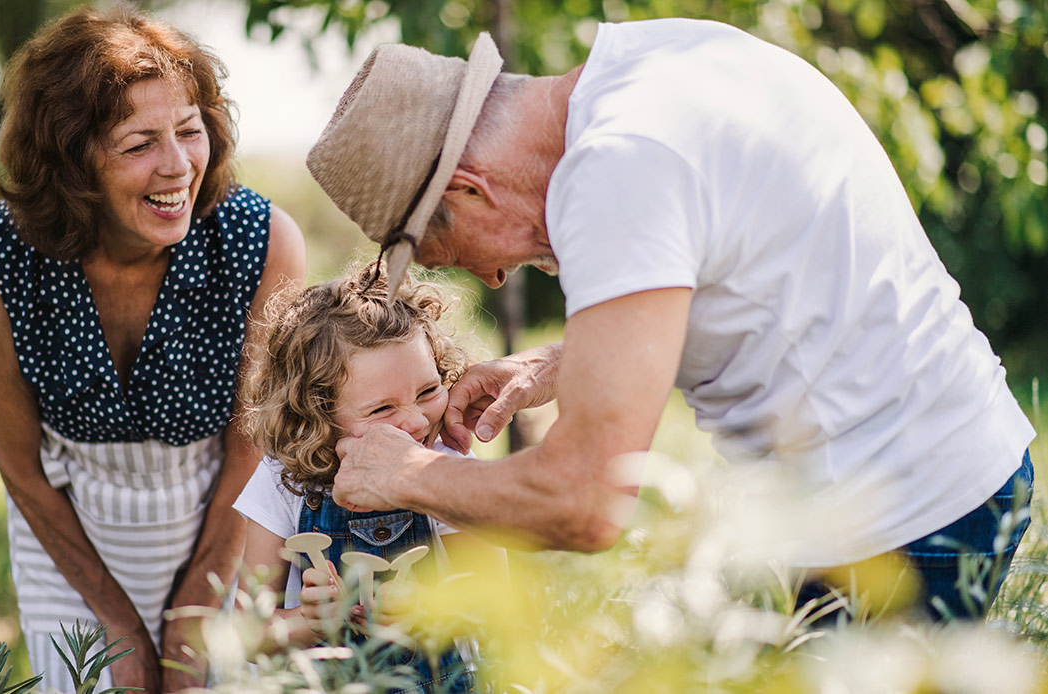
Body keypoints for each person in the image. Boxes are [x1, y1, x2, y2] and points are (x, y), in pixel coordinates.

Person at [303, 20, 1035, 620]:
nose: (491, 278)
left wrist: (411, 473)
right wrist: (556, 364)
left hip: (909, 515)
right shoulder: (654, 61)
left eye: (451, 252)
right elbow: (739, 273)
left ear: (468, 188)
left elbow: (585, 502)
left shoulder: (615, 172)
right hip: (930, 472)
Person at [0, 6, 306, 691]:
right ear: (72, 158)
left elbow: (253, 441)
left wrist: (199, 602)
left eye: (189, 131)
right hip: (69, 551)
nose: (177, 166)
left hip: (227, 531)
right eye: (139, 142)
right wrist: (115, 620)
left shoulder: (261, 243)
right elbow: (19, 465)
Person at [234, 263, 505, 690]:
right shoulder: (284, 481)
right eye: (382, 409)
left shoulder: (448, 469)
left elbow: (497, 604)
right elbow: (249, 635)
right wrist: (310, 621)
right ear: (316, 414)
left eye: (428, 391)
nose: (415, 421)